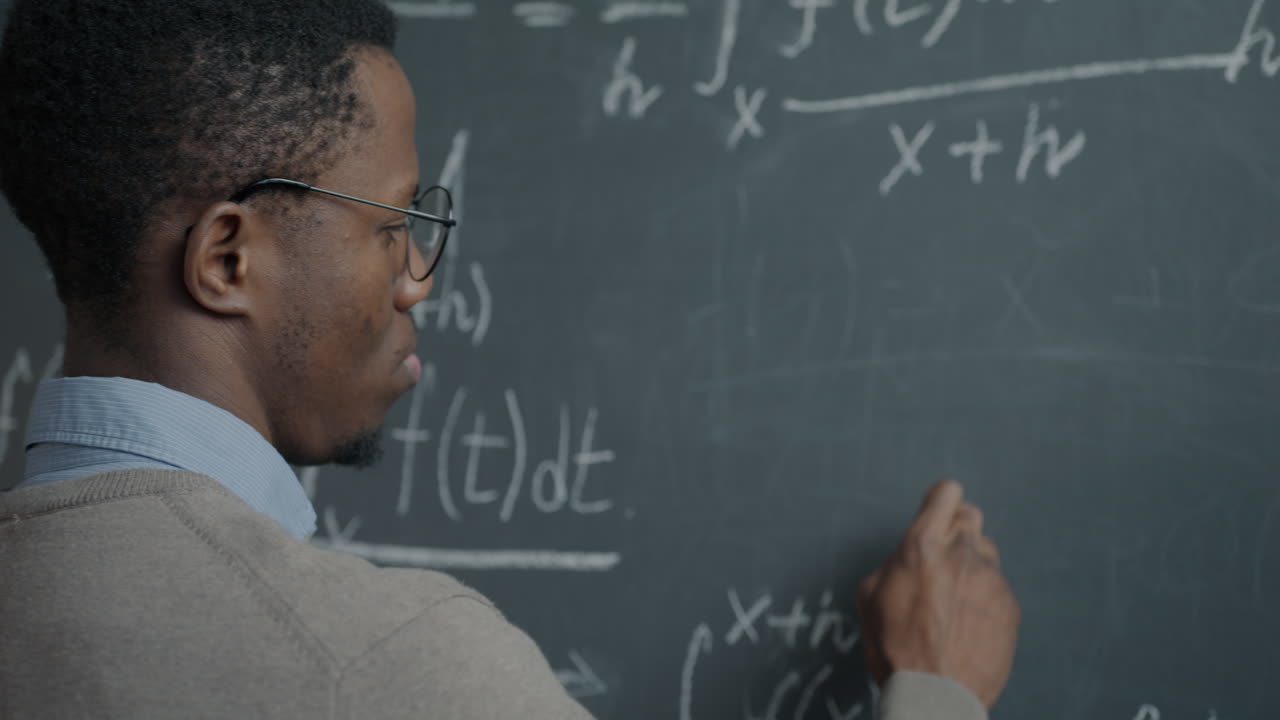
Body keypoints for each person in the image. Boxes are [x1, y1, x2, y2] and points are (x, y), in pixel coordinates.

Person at [0, 1, 1019, 718]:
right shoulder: (391, 669)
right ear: (228, 258)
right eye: (391, 222)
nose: (417, 279)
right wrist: (935, 692)